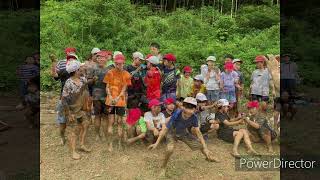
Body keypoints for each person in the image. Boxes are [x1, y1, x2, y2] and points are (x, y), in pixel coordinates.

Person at [148, 97, 219, 176]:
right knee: (169, 149)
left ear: (195, 109)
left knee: (200, 144)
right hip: (171, 133)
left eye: (192, 108)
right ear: (183, 107)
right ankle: (163, 167)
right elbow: (165, 129)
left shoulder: (194, 117)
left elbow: (198, 133)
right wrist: (157, 143)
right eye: (187, 107)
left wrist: (205, 148)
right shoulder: (177, 114)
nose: (189, 111)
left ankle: (208, 157)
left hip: (183, 133)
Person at [61, 60, 91, 160]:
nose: (82, 69)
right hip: (72, 110)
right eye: (80, 68)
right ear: (76, 71)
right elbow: (64, 100)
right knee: (73, 131)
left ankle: (81, 144)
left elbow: (86, 89)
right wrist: (68, 114)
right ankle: (73, 151)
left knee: (85, 125)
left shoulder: (82, 79)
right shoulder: (68, 83)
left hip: (82, 109)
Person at [103, 54, 132, 152]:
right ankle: (117, 144)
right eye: (118, 64)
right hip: (120, 101)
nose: (120, 65)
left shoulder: (110, 72)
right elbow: (124, 89)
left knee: (112, 123)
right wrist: (117, 98)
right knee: (117, 123)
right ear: (115, 63)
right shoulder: (126, 74)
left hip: (111, 101)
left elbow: (107, 87)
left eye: (121, 64)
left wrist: (111, 97)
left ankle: (111, 145)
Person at [50, 47, 77, 145]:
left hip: (76, 100)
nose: (71, 60)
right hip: (64, 99)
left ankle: (73, 141)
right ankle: (62, 136)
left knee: (74, 121)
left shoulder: (80, 72)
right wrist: (53, 63)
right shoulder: (64, 71)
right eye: (69, 58)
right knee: (62, 122)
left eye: (73, 58)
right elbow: (55, 75)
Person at [91, 51, 111, 141]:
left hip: (106, 96)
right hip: (96, 96)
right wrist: (92, 80)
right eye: (99, 57)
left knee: (105, 116)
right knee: (98, 116)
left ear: (106, 59)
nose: (101, 59)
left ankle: (104, 134)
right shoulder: (93, 69)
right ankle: (97, 135)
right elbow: (88, 83)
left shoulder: (109, 70)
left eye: (103, 57)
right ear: (97, 59)